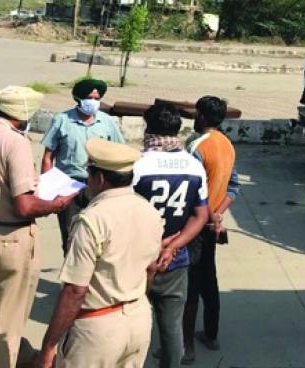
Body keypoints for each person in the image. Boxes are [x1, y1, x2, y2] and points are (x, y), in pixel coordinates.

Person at [0, 86, 76, 367]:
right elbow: (24, 206)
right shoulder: (15, 142)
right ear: (23, 115)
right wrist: (57, 204)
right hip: (10, 235)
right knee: (7, 320)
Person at [34, 139, 164, 368]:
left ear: (100, 178)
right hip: (139, 318)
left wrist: (49, 345)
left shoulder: (92, 220)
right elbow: (151, 269)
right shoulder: (149, 210)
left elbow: (75, 290)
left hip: (97, 328)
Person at [132, 103, 209, 368]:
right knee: (172, 329)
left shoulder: (138, 165)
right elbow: (200, 216)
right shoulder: (193, 165)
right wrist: (173, 246)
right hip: (174, 259)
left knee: (131, 323)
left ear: (148, 128)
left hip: (137, 259)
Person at [181, 96, 240, 363]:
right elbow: (233, 187)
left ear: (202, 116)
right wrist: (218, 213)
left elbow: (187, 188)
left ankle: (186, 345)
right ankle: (211, 335)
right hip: (211, 224)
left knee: (190, 286)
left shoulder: (196, 146)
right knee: (209, 281)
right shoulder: (227, 145)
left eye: (196, 112)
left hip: (194, 224)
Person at [41, 78, 125, 255]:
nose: (93, 102)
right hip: (69, 184)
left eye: (97, 98)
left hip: (100, 184)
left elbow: (119, 151)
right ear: (78, 99)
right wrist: (48, 188)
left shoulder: (107, 122)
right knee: (71, 235)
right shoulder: (62, 120)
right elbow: (48, 157)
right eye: (89, 97)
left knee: (100, 234)